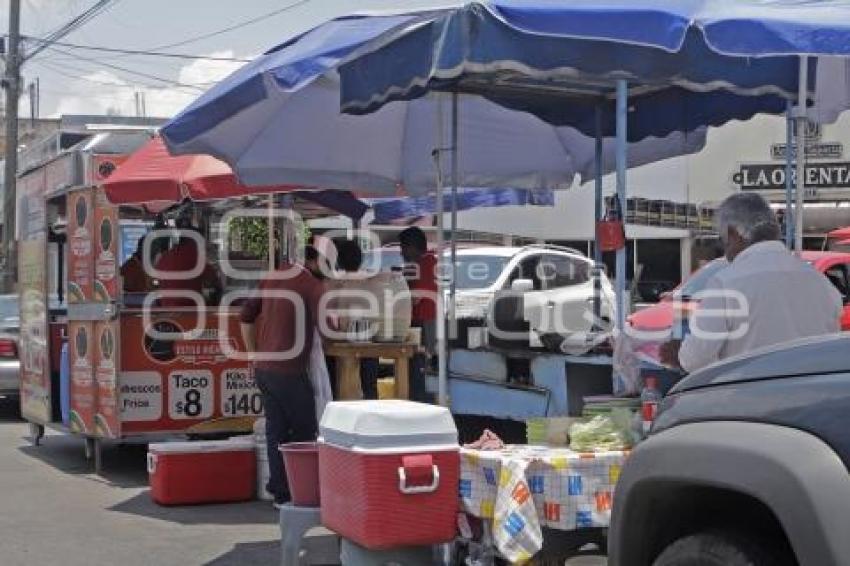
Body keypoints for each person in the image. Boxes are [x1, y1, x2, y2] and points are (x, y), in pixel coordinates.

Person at [660, 193, 842, 373]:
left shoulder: (725, 283)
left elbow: (695, 359)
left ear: (733, 234)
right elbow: (828, 353)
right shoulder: (821, 284)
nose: (724, 250)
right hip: (812, 397)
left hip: (749, 397)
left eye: (722, 240)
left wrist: (678, 353)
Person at [241, 260, 324, 507]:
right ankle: (301, 492)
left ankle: (280, 492)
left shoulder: (272, 276)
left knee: (275, 430)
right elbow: (331, 328)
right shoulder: (310, 284)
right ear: (316, 261)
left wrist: (252, 354)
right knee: (305, 431)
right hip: (289, 370)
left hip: (265, 369)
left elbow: (245, 316)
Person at [324, 239, 381, 399]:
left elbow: (327, 312)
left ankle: (336, 412)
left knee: (336, 385)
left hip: (340, 342)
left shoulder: (332, 282)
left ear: (338, 260)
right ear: (360, 259)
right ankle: (371, 415)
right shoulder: (372, 281)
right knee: (369, 385)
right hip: (368, 340)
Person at [399, 227, 437, 401]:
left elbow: (413, 298)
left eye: (403, 248)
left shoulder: (423, 264)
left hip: (423, 323)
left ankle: (420, 403)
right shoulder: (432, 262)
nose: (401, 253)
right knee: (421, 368)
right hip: (428, 322)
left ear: (412, 247)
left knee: (419, 369)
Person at [154, 225, 222, 307]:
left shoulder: (164, 257)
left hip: (166, 309)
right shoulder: (195, 256)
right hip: (190, 310)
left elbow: (157, 282)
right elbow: (213, 280)